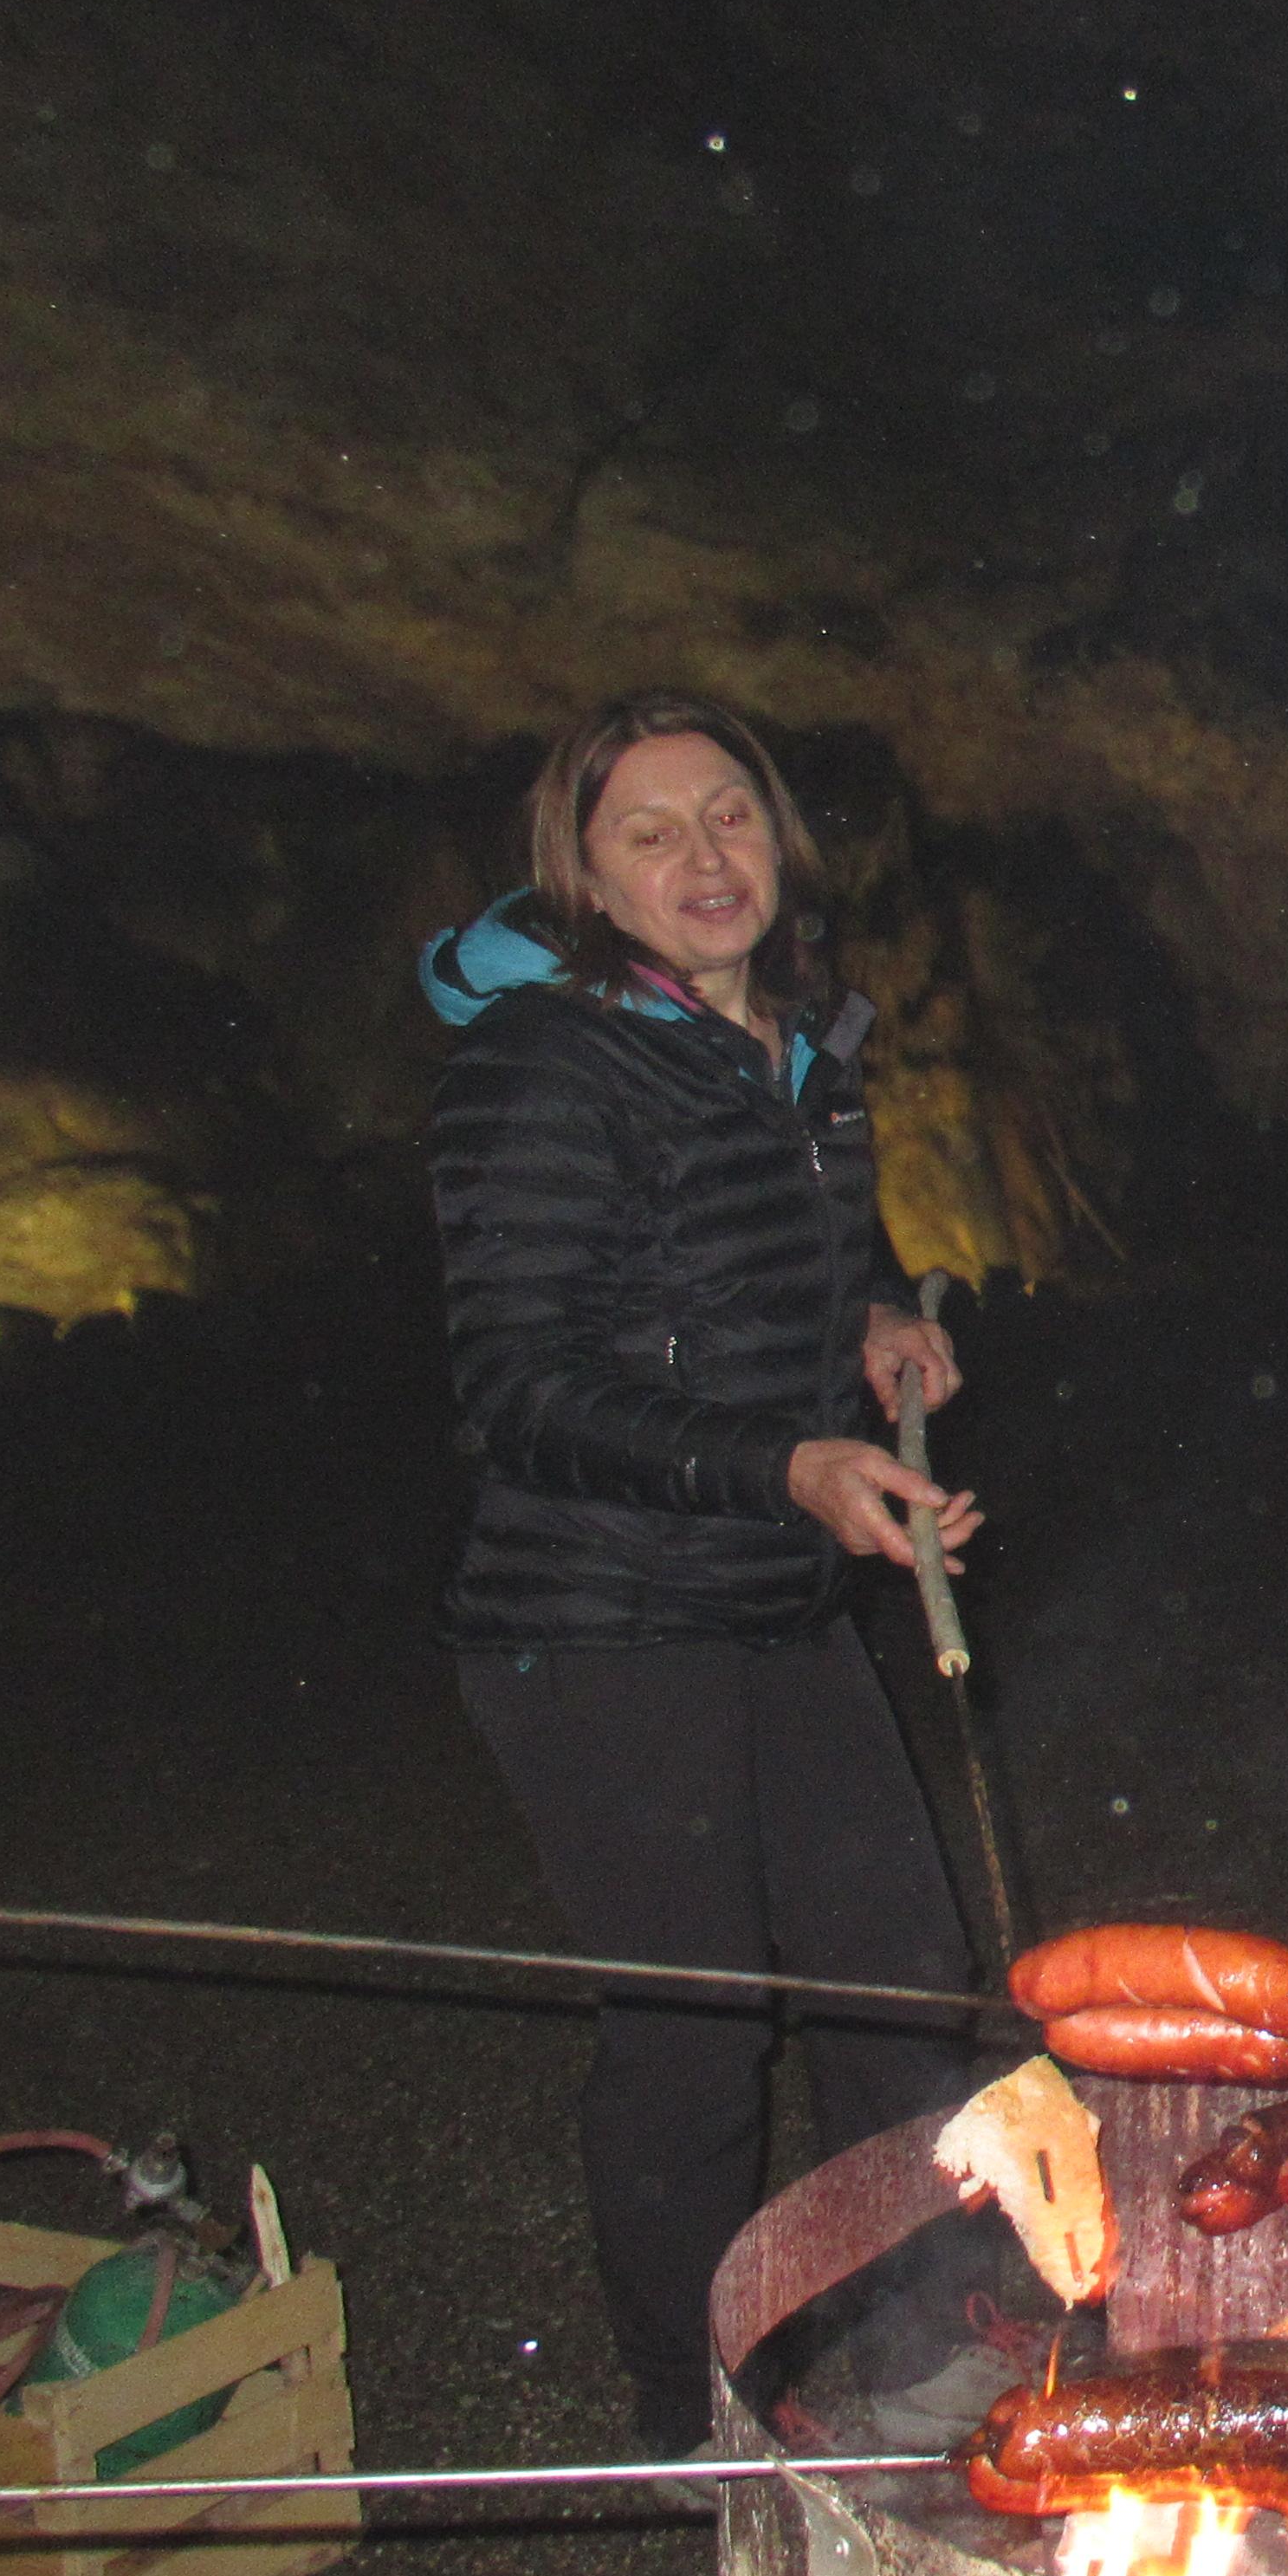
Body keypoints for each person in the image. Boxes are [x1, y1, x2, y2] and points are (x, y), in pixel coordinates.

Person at [423, 691, 994, 2461]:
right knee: (695, 2026)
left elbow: (775, 1264)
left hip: (774, 1597)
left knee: (903, 1975)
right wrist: (786, 1465)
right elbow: (517, 1384)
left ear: (779, 836)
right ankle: (697, 2416)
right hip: (594, 1624)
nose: (704, 858)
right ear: (582, 878)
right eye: (650, 832)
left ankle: (916, 2349)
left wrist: (875, 1317)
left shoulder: (801, 1044)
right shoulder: (545, 1061)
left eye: (729, 814)